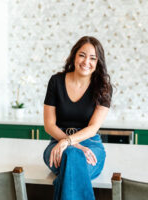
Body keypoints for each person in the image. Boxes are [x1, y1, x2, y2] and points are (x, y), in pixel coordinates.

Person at [43, 36, 112, 200]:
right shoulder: (56, 81)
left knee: (71, 163)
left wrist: (70, 143)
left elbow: (93, 128)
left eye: (93, 58)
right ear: (74, 56)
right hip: (57, 144)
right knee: (73, 157)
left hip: (91, 146)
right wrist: (70, 144)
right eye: (82, 55)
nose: (86, 61)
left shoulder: (103, 88)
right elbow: (49, 125)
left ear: (98, 63)